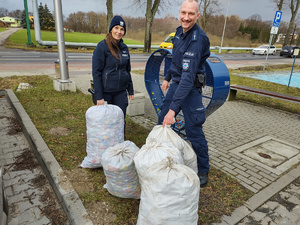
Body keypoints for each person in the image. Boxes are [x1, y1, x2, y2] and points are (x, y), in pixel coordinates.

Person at [158, 0, 211, 188]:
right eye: (183, 13)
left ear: (197, 16)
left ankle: (203, 169)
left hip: (190, 88)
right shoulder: (179, 32)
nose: (186, 18)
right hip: (176, 84)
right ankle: (163, 159)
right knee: (162, 121)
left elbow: (188, 78)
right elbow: (175, 59)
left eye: (191, 14)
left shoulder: (198, 39)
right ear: (179, 12)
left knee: (193, 129)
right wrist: (167, 77)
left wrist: (174, 110)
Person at [92, 15, 134, 126]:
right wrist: (99, 96)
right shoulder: (102, 47)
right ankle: (106, 143)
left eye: (122, 29)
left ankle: (120, 142)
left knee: (119, 121)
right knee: (106, 122)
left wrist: (130, 89)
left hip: (120, 92)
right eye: (116, 28)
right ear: (111, 29)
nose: (119, 32)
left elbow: (127, 70)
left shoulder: (124, 48)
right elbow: (96, 73)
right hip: (106, 93)